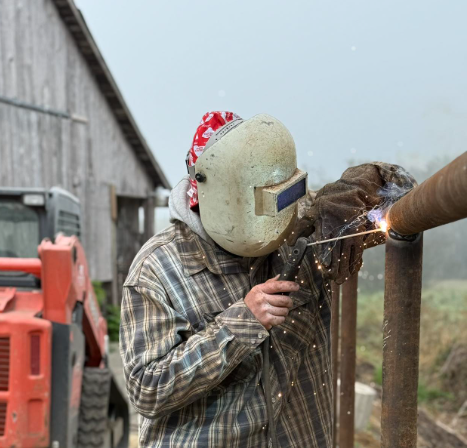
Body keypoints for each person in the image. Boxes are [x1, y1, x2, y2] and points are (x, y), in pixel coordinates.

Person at [120, 111, 412, 447]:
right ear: (220, 194)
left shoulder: (306, 222)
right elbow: (146, 390)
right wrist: (239, 325)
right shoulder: (157, 270)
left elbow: (406, 197)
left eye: (282, 196)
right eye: (260, 204)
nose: (277, 215)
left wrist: (367, 183)